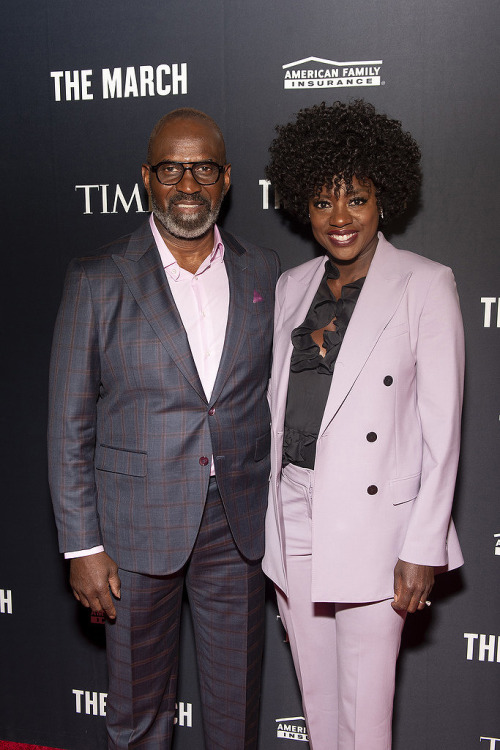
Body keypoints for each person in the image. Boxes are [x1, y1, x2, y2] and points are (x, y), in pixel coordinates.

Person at [48, 107, 280, 749]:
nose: (188, 185)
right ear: (147, 178)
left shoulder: (263, 270)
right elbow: (69, 424)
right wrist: (81, 546)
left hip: (237, 525)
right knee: (138, 713)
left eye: (203, 168)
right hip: (132, 531)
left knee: (236, 713)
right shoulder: (97, 278)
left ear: (226, 179)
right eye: (172, 169)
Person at [262, 100, 464, 750]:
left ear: (385, 198)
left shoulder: (424, 285)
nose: (340, 218)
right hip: (295, 512)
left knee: (367, 716)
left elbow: (442, 432)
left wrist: (422, 548)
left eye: (356, 199)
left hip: (380, 527)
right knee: (319, 707)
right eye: (324, 203)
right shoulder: (293, 287)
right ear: (304, 207)